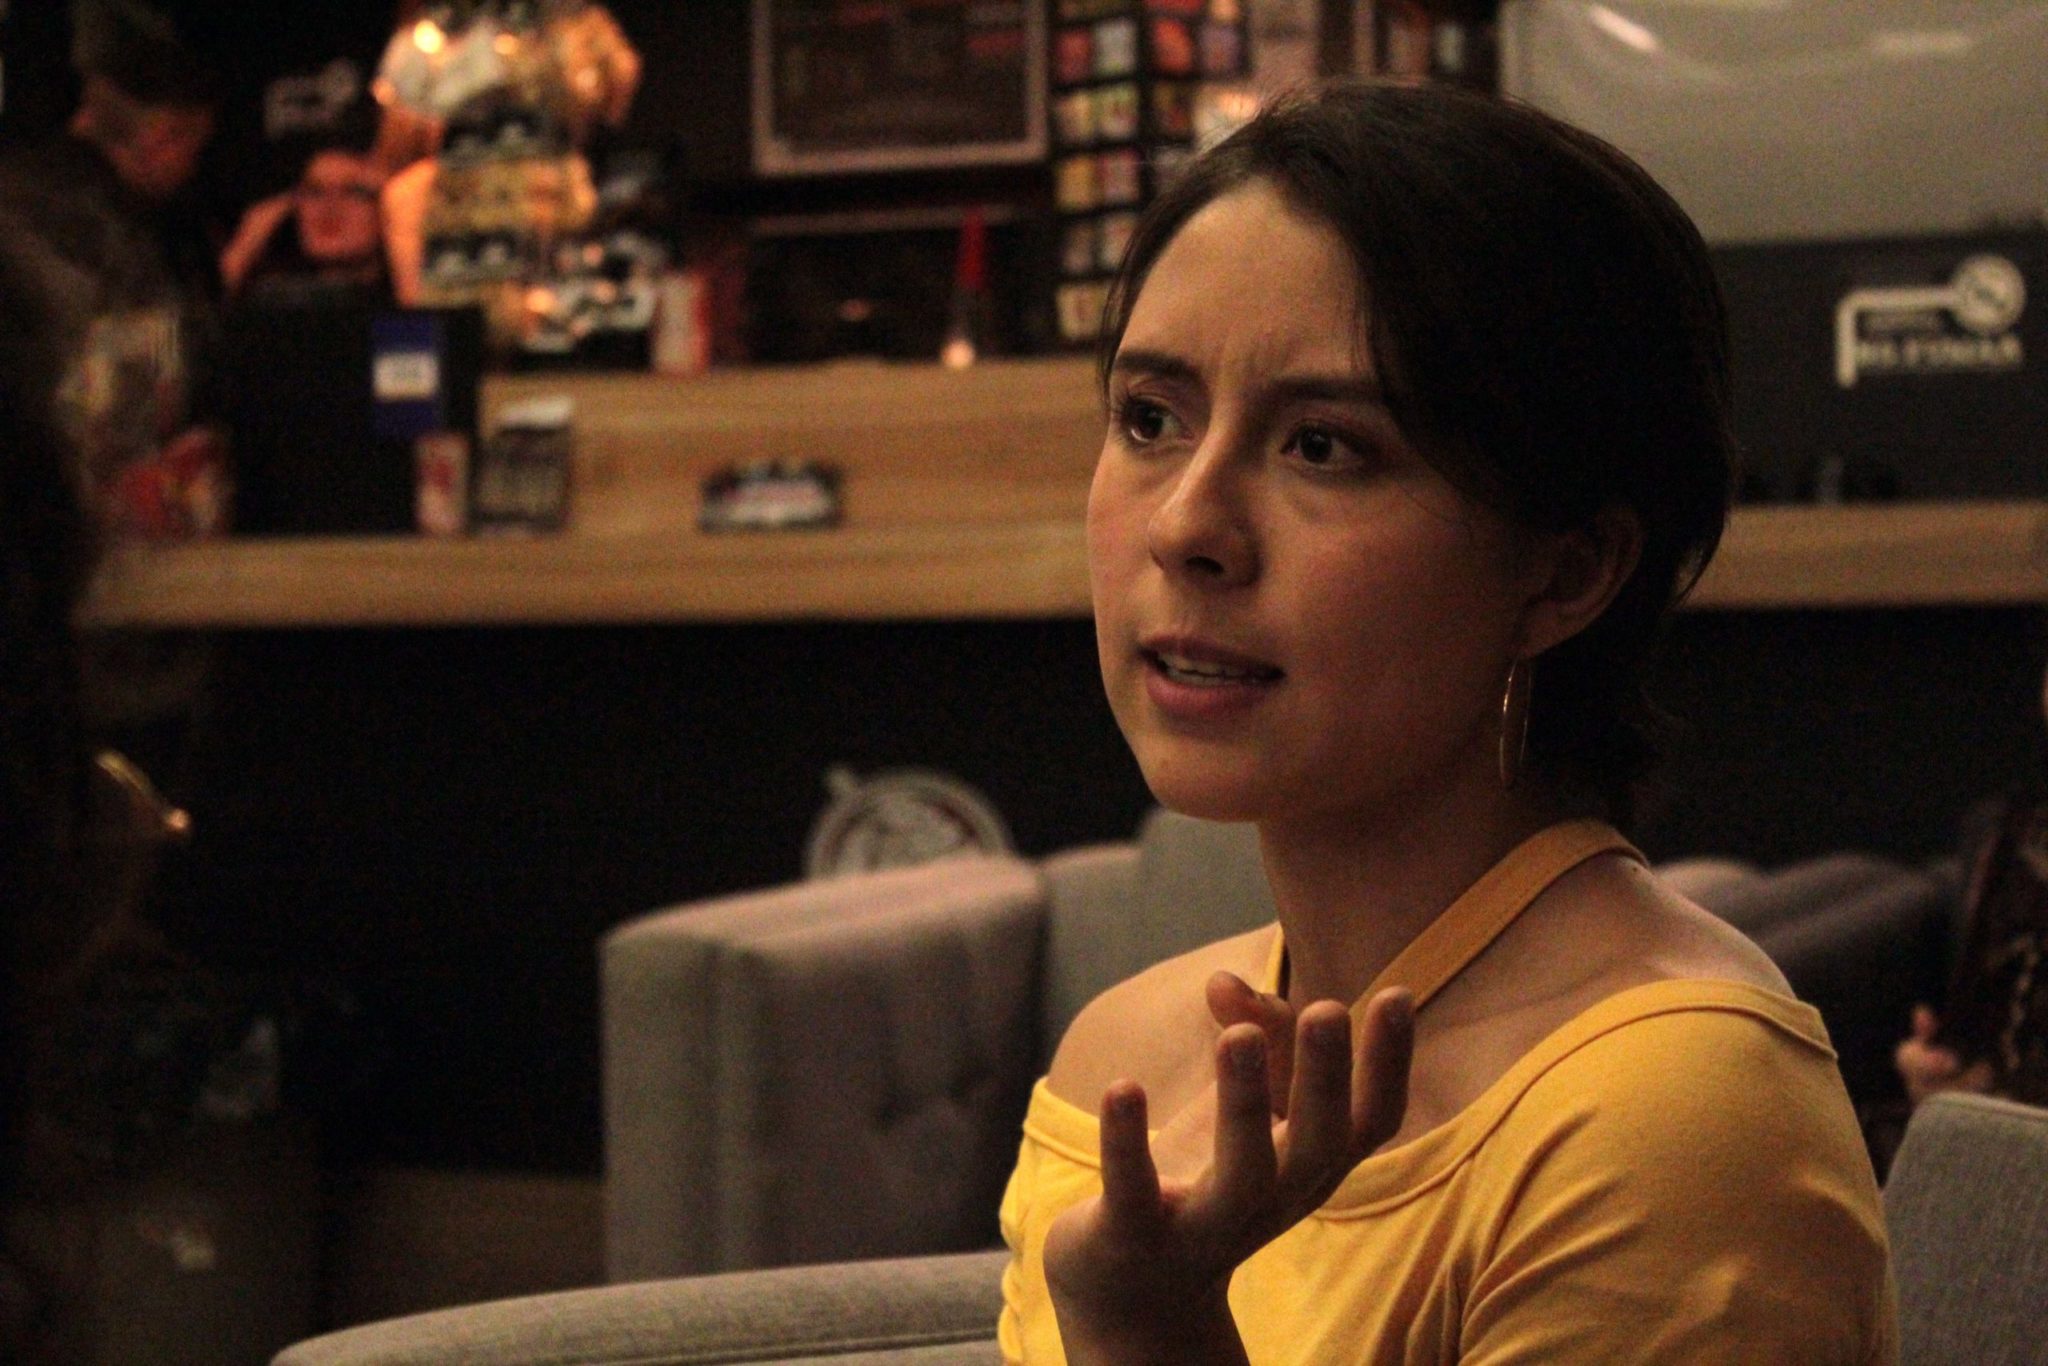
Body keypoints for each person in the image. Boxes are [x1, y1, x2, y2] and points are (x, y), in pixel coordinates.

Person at [997, 81, 1895, 1363]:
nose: (1185, 523)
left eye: (1323, 447)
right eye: (1149, 419)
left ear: (1563, 573)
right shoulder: (1123, 1058)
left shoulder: (1668, 1112)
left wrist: (1151, 1330)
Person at [219, 138, 395, 304]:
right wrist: (245, 246)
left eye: (355, 192)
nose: (329, 207)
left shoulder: (400, 305)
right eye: (315, 191)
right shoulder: (272, 299)